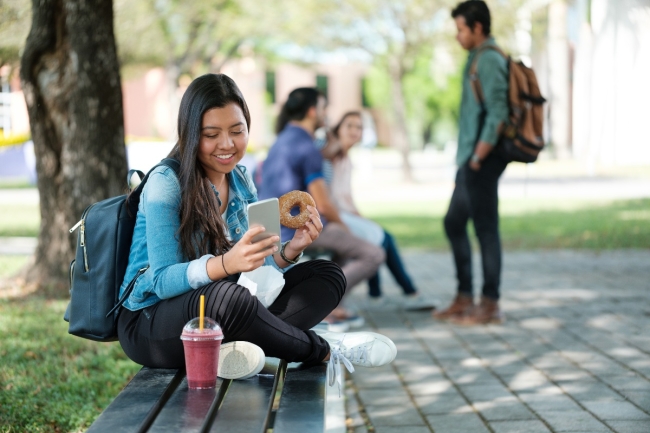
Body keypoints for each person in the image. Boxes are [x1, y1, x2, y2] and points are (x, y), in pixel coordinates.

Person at [116, 74, 396, 386]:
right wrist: (226, 264)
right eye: (212, 134)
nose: (227, 144)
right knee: (229, 296)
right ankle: (326, 348)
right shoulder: (165, 183)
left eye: (237, 131)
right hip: (151, 321)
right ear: (191, 133)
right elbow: (163, 280)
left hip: (226, 307)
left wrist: (290, 251)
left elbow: (256, 271)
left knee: (327, 275)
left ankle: (237, 349)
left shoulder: (240, 179)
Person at [258, 88, 385, 328]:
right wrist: (344, 226)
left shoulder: (281, 139)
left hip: (273, 228)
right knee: (373, 254)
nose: (326, 113)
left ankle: (332, 304)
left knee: (345, 250)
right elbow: (323, 204)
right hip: (296, 233)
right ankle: (323, 306)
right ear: (313, 111)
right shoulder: (307, 147)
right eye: (324, 108)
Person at [433, 0, 509, 325]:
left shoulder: (489, 59)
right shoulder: (476, 58)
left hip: (483, 159)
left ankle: (489, 303)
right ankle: (465, 297)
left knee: (486, 229)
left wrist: (478, 155)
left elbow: (498, 110)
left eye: (461, 29)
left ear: (478, 27)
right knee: (454, 222)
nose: (457, 36)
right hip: (471, 160)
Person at [320, 111, 436, 311]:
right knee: (383, 239)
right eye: (350, 126)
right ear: (338, 128)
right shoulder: (333, 153)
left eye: (359, 127)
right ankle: (407, 292)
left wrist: (360, 217)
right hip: (334, 216)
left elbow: (347, 196)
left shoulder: (347, 158)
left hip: (345, 213)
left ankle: (380, 293)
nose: (355, 131)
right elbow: (331, 193)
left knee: (381, 236)